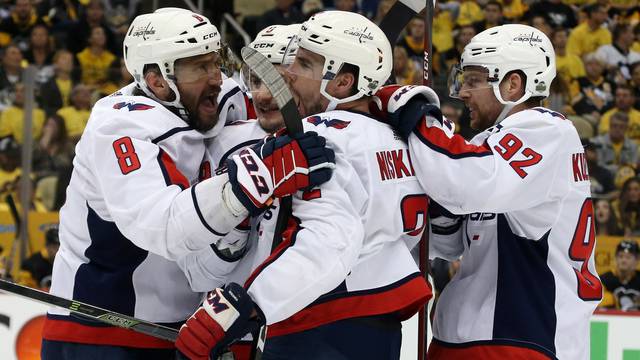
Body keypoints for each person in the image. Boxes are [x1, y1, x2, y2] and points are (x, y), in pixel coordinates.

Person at [42, 8, 335, 360]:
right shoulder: (119, 128)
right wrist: (259, 175)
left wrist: (376, 107)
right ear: (158, 81)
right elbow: (164, 227)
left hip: (179, 331)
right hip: (102, 330)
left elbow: (290, 97)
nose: (217, 77)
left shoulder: (202, 97)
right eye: (200, 67)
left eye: (216, 62)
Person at [175, 11, 432, 360]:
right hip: (379, 323)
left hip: (319, 319)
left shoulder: (320, 135)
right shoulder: (397, 136)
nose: (290, 75)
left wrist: (246, 306)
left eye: (305, 64)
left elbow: (330, 238)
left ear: (342, 82)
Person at [378, 24, 602, 359]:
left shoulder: (546, 129)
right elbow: (451, 242)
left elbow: (470, 184)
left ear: (513, 84)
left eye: (473, 81)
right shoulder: (489, 146)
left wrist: (418, 116)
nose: (462, 92)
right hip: (472, 336)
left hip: (520, 336)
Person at [599, 240, 640, 311]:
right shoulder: (604, 279)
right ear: (615, 258)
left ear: (637, 260)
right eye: (621, 256)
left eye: (628, 257)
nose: (623, 260)